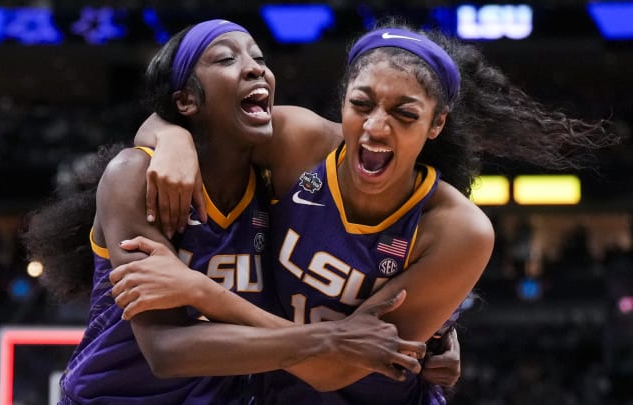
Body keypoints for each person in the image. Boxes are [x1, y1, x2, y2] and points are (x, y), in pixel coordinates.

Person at [112, 17, 617, 404]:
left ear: (436, 125)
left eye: (405, 114)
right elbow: (204, 123)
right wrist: (169, 137)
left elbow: (332, 368)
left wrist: (204, 293)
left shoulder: (460, 229)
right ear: (342, 104)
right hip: (269, 389)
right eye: (363, 104)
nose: (377, 127)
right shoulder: (297, 142)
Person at [23, 19, 441, 405]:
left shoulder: (273, 185)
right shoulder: (136, 175)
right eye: (227, 58)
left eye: (259, 58)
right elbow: (165, 351)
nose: (255, 68)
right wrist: (330, 339)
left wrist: (440, 332)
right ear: (186, 101)